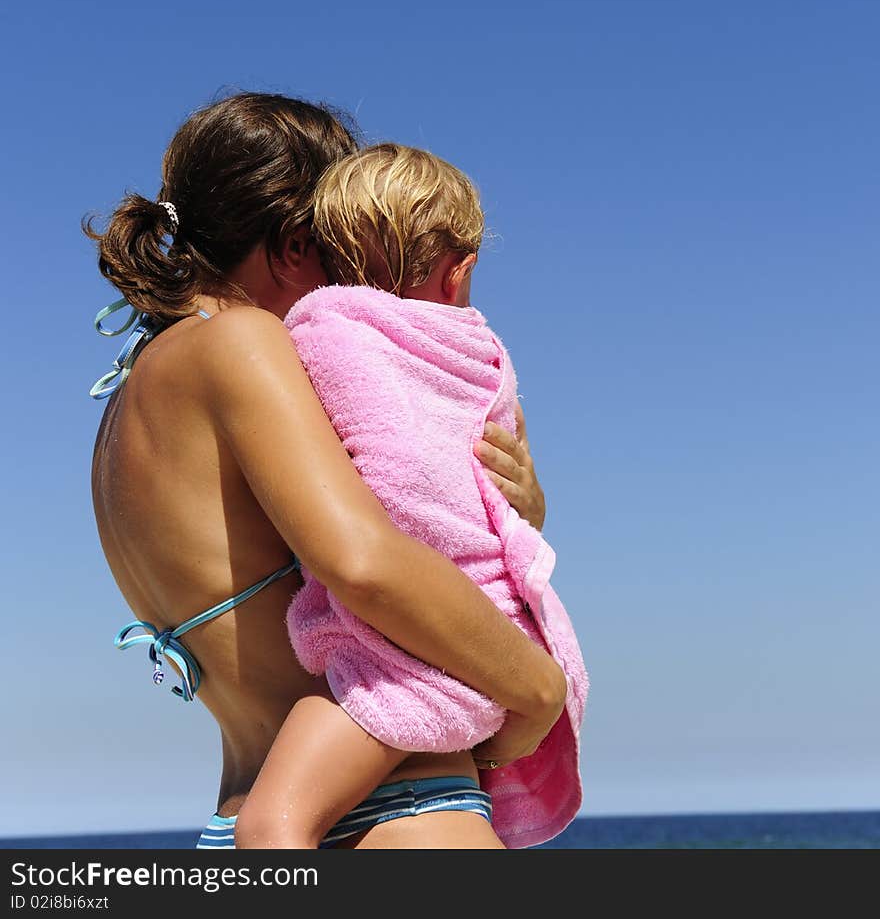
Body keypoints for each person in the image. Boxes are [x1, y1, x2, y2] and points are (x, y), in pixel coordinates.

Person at [86, 92, 566, 850]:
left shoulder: (128, 405)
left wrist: (518, 506)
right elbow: (365, 561)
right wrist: (539, 690)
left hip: (250, 812)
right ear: (293, 245)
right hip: (396, 811)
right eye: (347, 251)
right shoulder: (241, 344)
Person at [233, 145, 587, 851]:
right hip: (496, 643)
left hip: (403, 661)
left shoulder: (316, 332)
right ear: (458, 272)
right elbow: (497, 492)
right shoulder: (485, 353)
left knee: (271, 827)